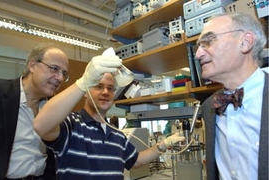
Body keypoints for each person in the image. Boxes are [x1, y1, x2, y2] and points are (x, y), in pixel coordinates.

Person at [33, 48, 185, 180]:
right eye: (98, 86)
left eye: (111, 88)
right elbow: (41, 125)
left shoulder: (117, 134)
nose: (105, 92)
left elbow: (136, 161)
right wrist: (83, 82)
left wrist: (164, 145)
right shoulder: (71, 125)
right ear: (86, 91)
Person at [195, 13, 268, 180]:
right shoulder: (209, 106)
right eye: (198, 46)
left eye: (209, 41)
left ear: (245, 42)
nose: (198, 54)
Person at [0, 43, 69, 180]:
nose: (60, 78)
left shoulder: (55, 108)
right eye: (54, 69)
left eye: (64, 73)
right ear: (32, 65)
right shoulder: (1, 92)